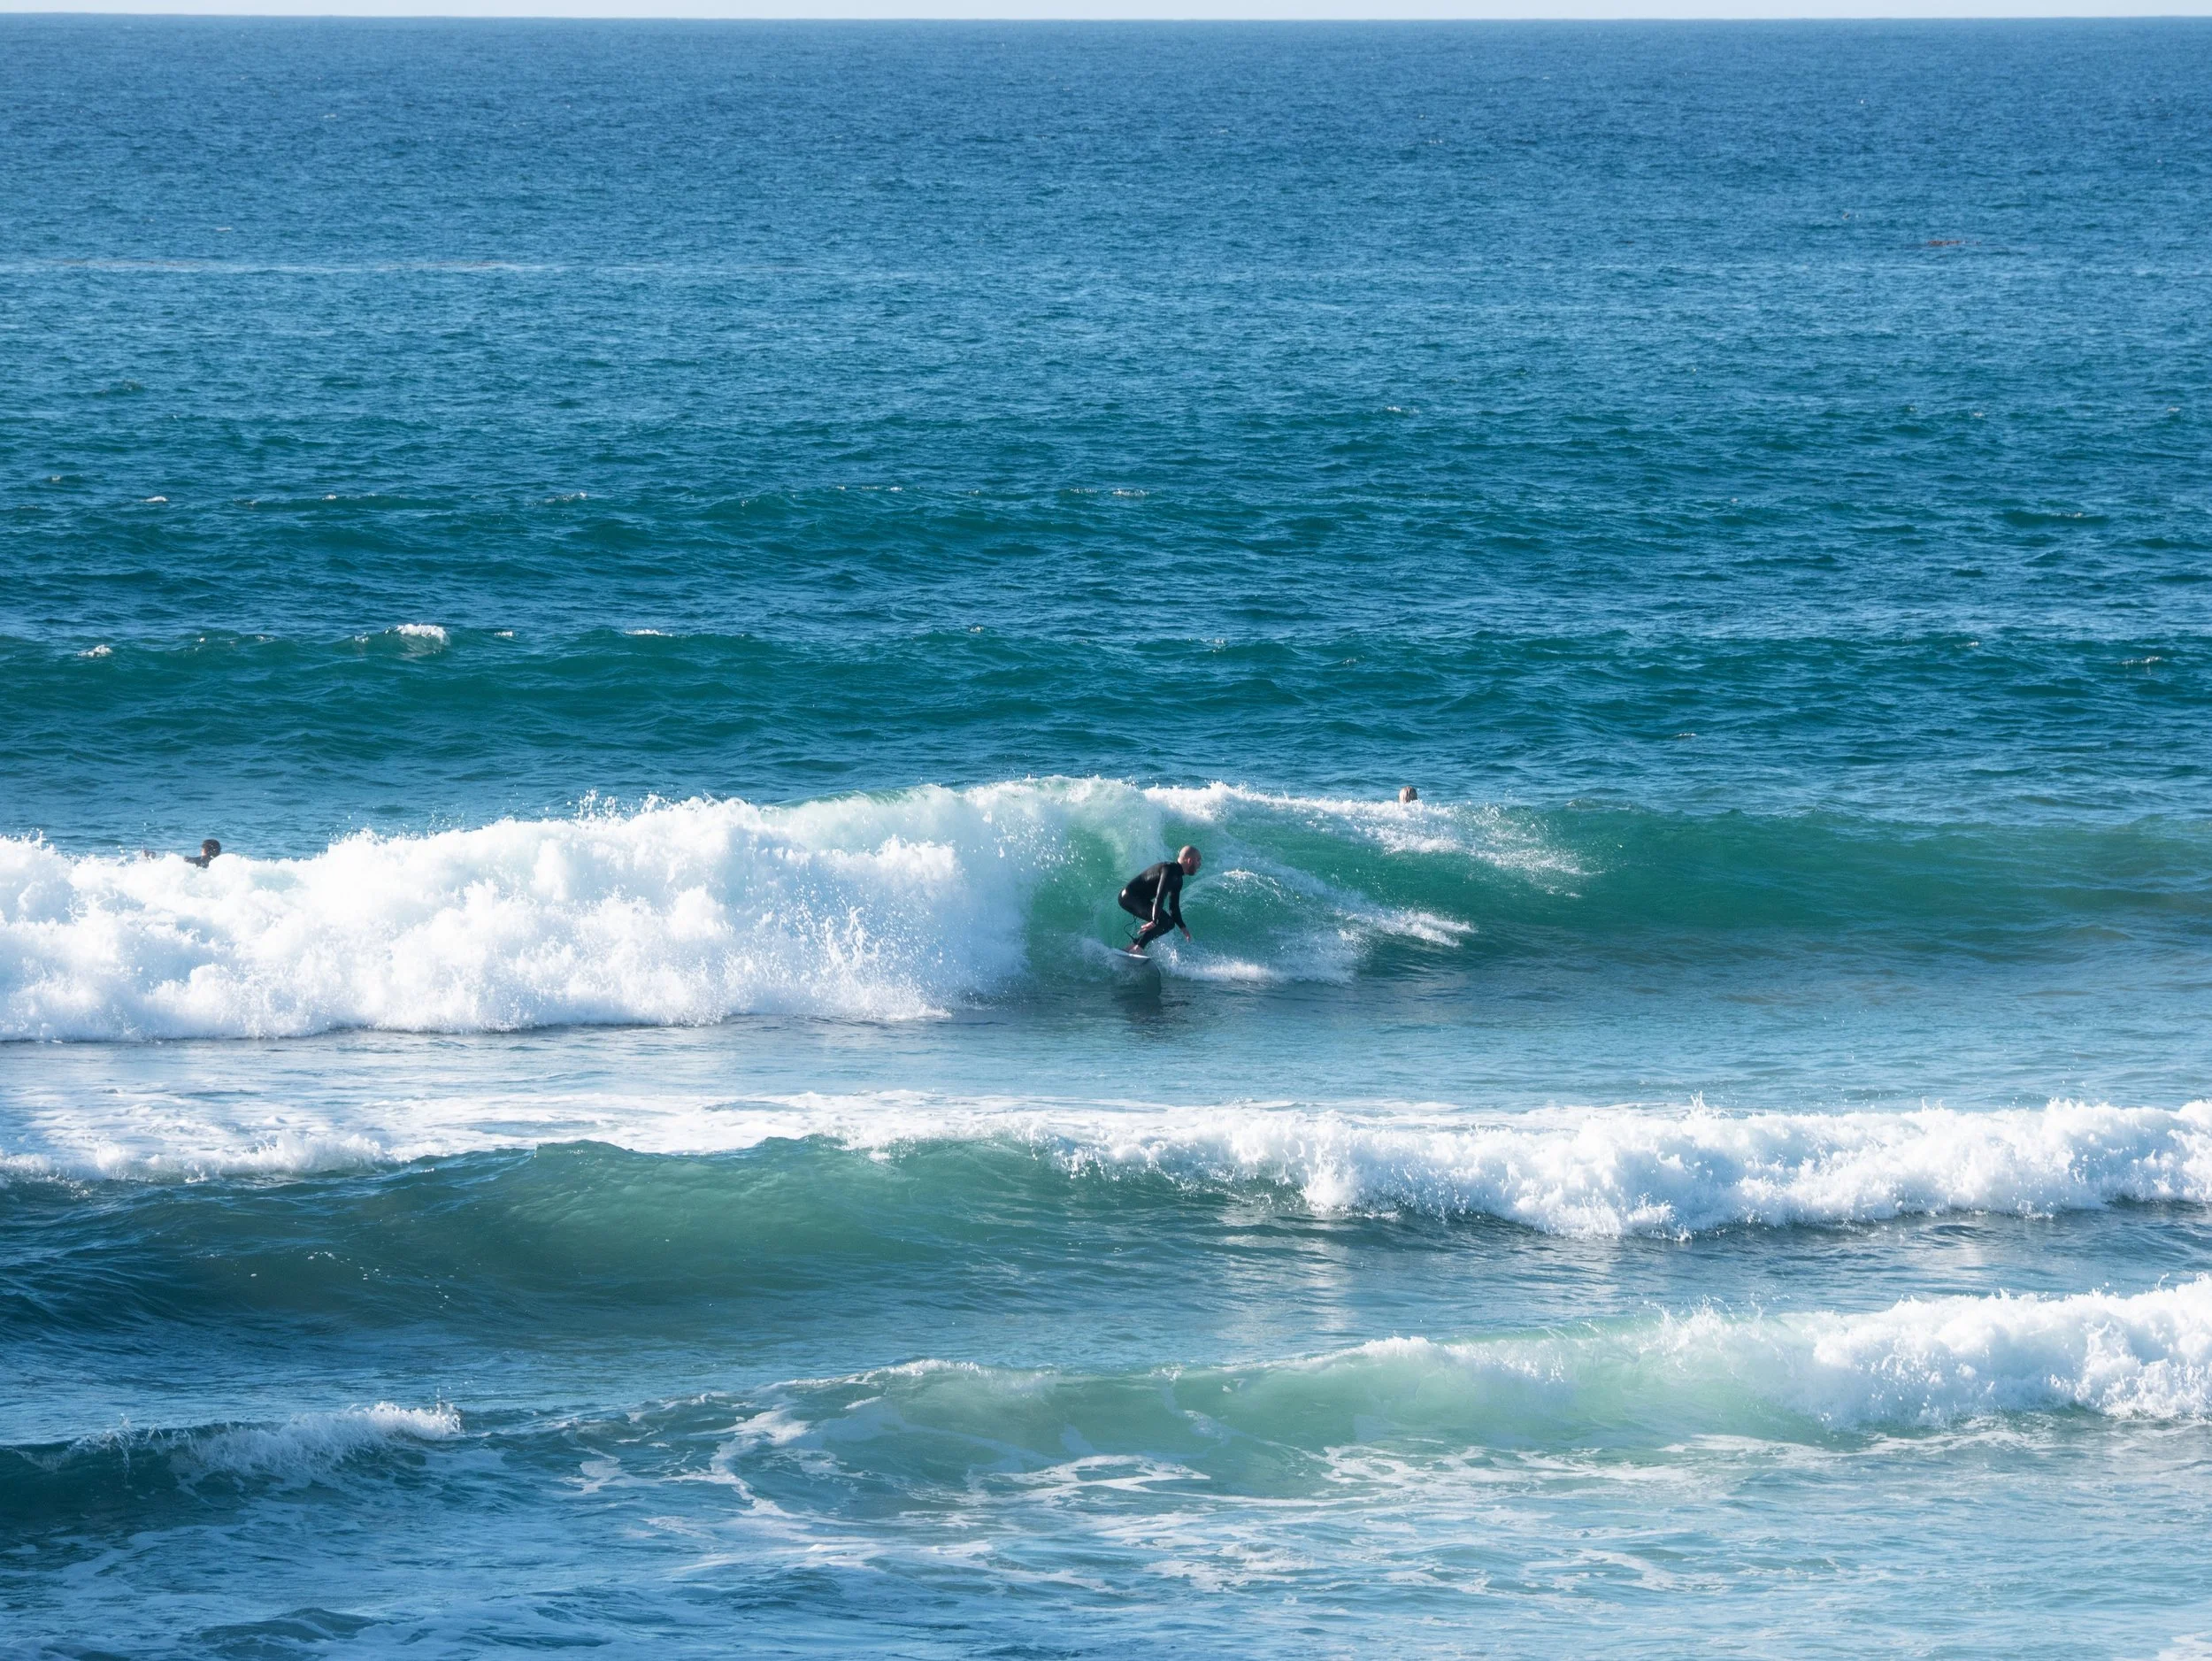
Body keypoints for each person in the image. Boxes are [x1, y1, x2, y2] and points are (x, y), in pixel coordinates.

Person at [1118, 845, 1201, 955]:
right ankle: (1138, 948)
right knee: (1165, 921)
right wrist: (1154, 920)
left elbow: (1173, 907)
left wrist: (1182, 927)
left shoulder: (1178, 880)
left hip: (1138, 899)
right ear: (1190, 860)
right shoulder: (1169, 869)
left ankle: (1133, 947)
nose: (1200, 864)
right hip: (1129, 897)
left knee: (1169, 924)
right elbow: (1160, 895)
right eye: (1198, 860)